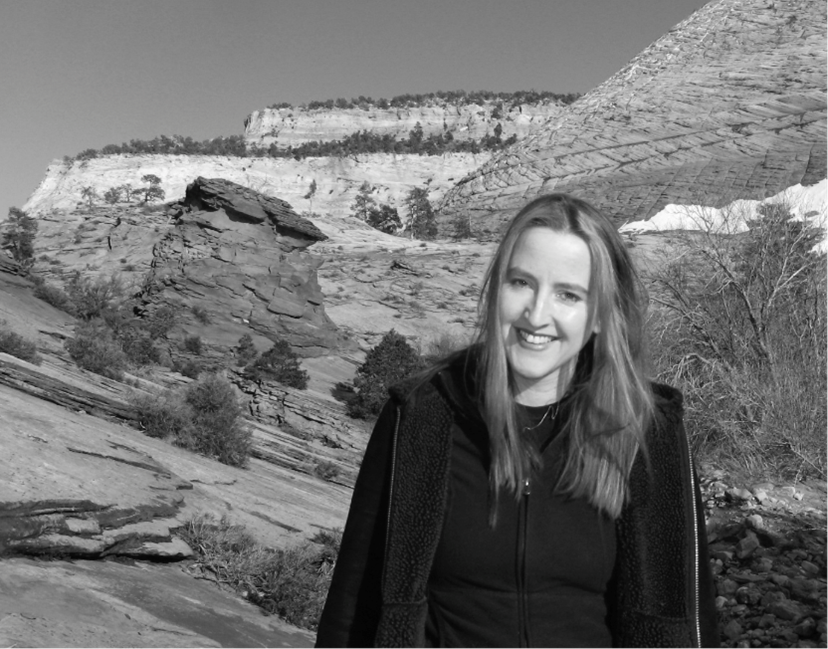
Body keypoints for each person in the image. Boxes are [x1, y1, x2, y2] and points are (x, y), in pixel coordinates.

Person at [315, 193, 718, 648]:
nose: (536, 314)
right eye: (521, 282)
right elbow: (352, 606)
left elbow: (688, 617)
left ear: (602, 315)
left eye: (568, 294)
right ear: (495, 289)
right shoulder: (422, 416)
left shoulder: (647, 431)